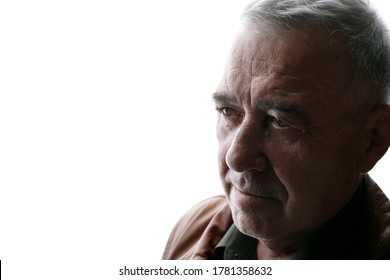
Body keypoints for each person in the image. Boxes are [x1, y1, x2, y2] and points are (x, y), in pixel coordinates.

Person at [163, 0, 390, 260]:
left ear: (372, 139)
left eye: (279, 121)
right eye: (228, 111)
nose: (235, 157)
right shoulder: (194, 228)